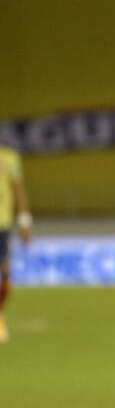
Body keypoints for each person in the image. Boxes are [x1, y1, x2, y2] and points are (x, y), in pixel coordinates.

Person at [0, 144, 32, 343]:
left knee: (5, 272)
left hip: (2, 223)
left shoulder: (9, 158)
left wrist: (25, 221)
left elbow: (19, 190)